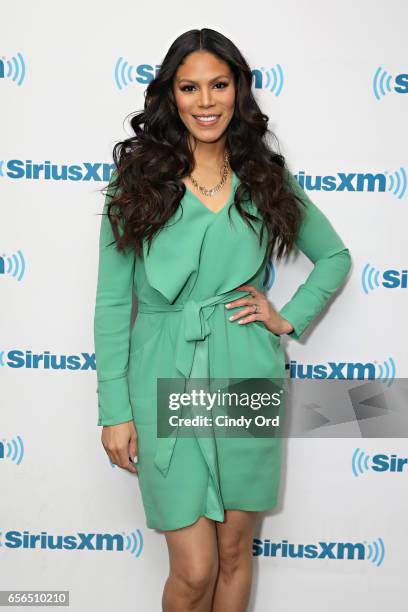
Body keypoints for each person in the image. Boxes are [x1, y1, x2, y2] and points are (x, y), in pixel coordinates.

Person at [93, 28, 352, 612]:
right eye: (190, 87)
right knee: (195, 568)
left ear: (238, 91)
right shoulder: (135, 183)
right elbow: (112, 303)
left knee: (235, 554)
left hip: (245, 367)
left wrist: (286, 318)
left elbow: (334, 257)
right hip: (165, 370)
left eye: (219, 85)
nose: (206, 101)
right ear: (171, 96)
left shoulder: (264, 178)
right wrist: (115, 410)